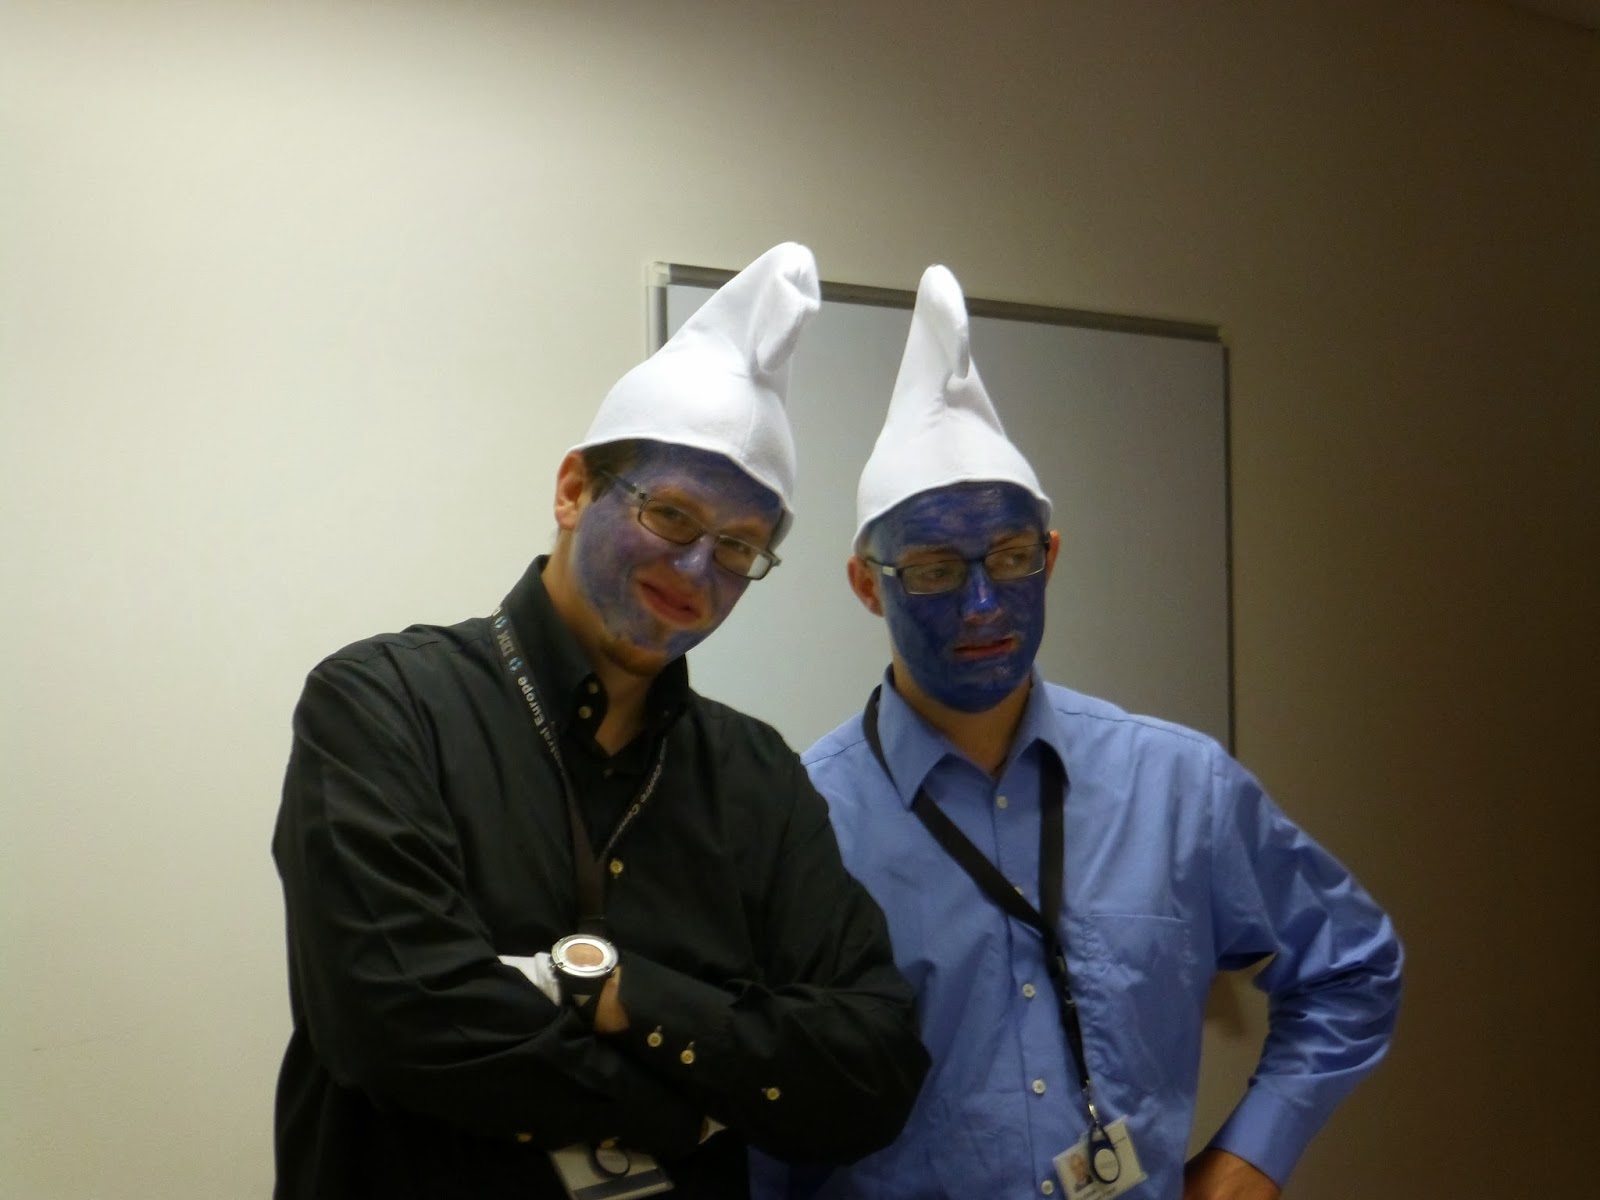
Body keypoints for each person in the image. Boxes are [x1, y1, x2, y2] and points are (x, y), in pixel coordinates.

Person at [271, 243, 929, 1199]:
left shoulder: (755, 776)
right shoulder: (384, 705)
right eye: (672, 517)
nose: (697, 570)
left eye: (739, 548)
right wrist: (690, 1105)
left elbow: (871, 1072)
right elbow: (394, 1018)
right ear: (573, 490)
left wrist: (619, 992)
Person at [752, 266, 1402, 1200]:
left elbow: (1352, 966)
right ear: (867, 584)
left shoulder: (1179, 788)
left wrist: (1249, 1163)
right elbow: (760, 1120)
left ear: (1049, 557)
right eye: (934, 570)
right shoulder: (800, 822)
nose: (984, 604)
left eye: (1012, 558)